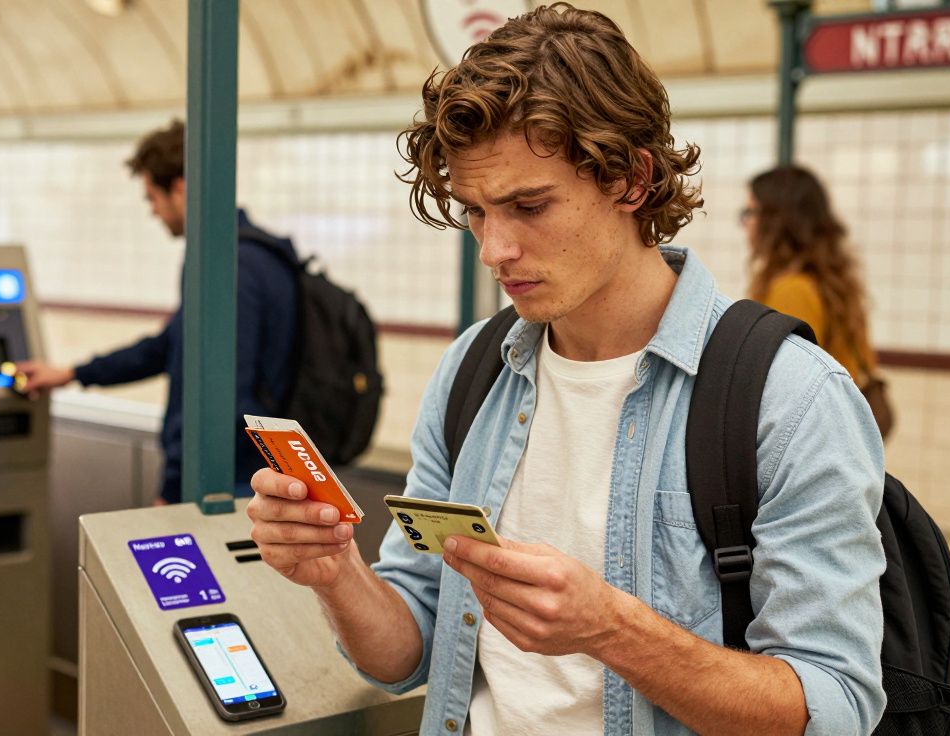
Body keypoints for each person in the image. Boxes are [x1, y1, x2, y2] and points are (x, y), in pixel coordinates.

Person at [245, 5, 886, 736]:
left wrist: (612, 629)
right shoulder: (475, 370)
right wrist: (336, 574)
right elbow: (407, 653)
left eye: (529, 205)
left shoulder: (790, 399)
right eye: (477, 212)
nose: (495, 250)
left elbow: (836, 708)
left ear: (633, 180)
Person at [16, 120, 299, 505]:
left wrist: (174, 484)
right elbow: (169, 347)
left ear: (179, 188)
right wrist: (71, 373)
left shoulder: (225, 265)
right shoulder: (259, 256)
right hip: (255, 474)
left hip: (228, 483)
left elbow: (221, 395)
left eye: (152, 198)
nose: (153, 212)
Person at [742, 165, 879, 386]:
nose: (746, 222)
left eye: (751, 211)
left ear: (777, 220)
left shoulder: (793, 290)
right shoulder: (831, 281)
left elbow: (785, 382)